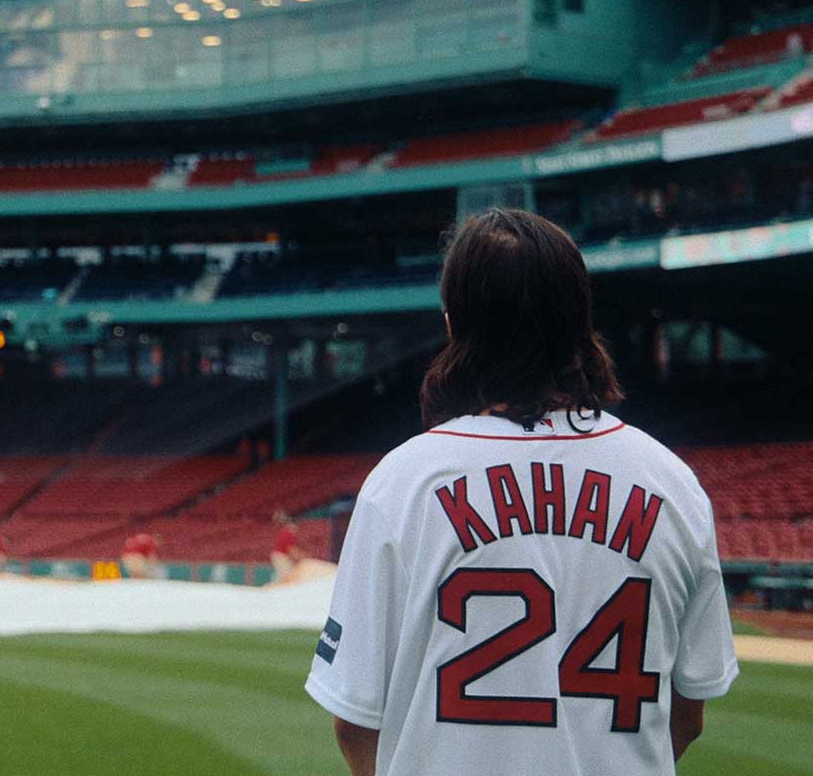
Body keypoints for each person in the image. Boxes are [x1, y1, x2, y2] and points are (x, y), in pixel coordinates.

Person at [305, 210, 736, 776]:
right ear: (581, 322)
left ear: (453, 323)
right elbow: (689, 713)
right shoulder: (671, 482)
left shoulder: (402, 481)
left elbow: (355, 722)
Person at [271, 511, 304, 583]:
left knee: (284, 575)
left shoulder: (287, 531)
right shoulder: (289, 533)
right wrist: (302, 557)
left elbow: (292, 550)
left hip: (280, 555)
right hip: (280, 556)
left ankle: (273, 589)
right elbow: (292, 550)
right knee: (286, 575)